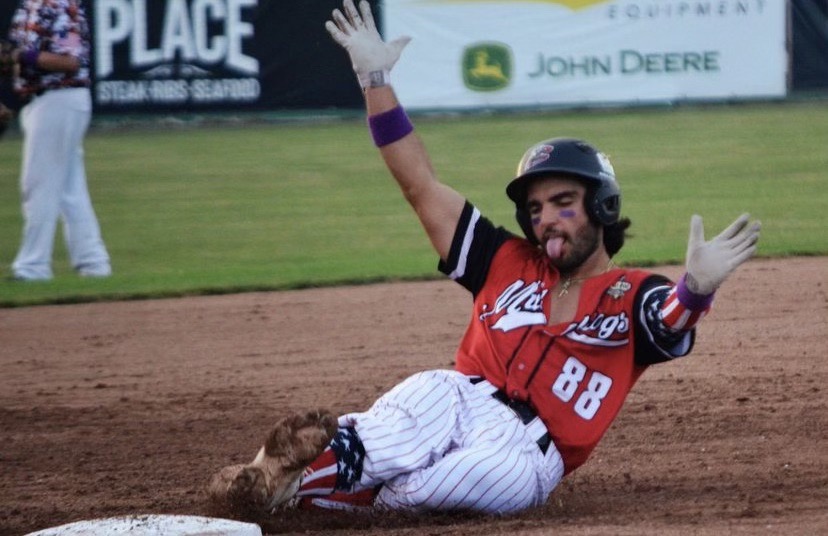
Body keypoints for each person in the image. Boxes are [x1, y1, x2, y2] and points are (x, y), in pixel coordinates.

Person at [208, 0, 761, 518]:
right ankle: (266, 476)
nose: (546, 217)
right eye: (537, 207)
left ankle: (304, 490)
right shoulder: (504, 259)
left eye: (564, 203)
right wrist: (375, 81)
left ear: (602, 207)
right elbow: (421, 186)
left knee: (451, 484)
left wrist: (697, 289)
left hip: (526, 449)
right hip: (460, 398)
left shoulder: (633, 294)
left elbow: (669, 321)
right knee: (419, 400)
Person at [7, 0, 111, 281]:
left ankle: (32, 267)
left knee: (38, 185)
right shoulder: (28, 6)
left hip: (61, 99)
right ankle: (93, 263)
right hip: (39, 100)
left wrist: (19, 56)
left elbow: (70, 61)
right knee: (69, 189)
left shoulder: (59, 6)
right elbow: (15, 61)